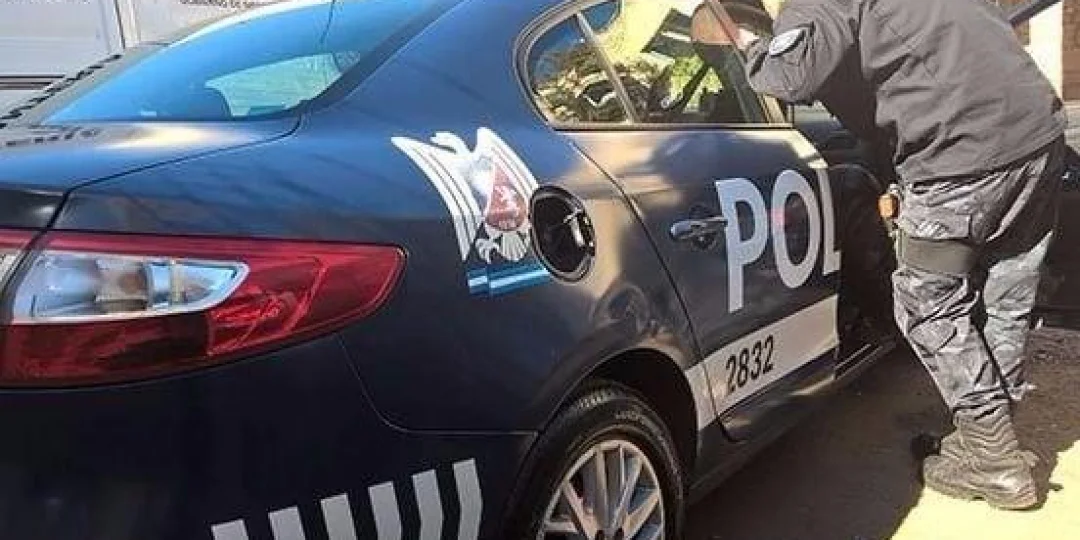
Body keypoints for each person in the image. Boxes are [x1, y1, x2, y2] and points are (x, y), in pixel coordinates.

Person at [739, 0, 1067, 510]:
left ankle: (995, 458)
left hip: (961, 155)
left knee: (925, 304)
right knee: (1005, 297)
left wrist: (742, 38)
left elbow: (789, 75)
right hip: (1037, 135)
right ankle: (986, 438)